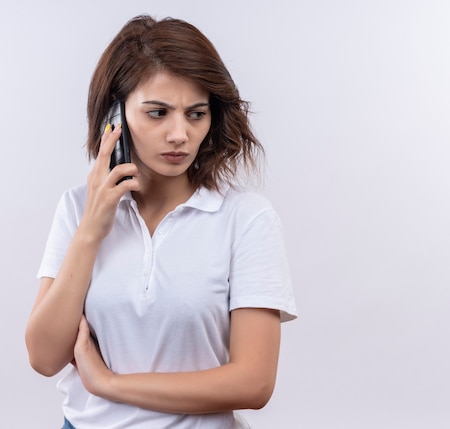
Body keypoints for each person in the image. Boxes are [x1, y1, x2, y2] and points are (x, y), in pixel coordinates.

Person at [25, 15, 297, 429]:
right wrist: (91, 231)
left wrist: (109, 384)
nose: (179, 134)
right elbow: (44, 357)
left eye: (196, 114)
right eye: (157, 113)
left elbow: (254, 383)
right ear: (113, 118)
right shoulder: (77, 209)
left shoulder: (246, 218)